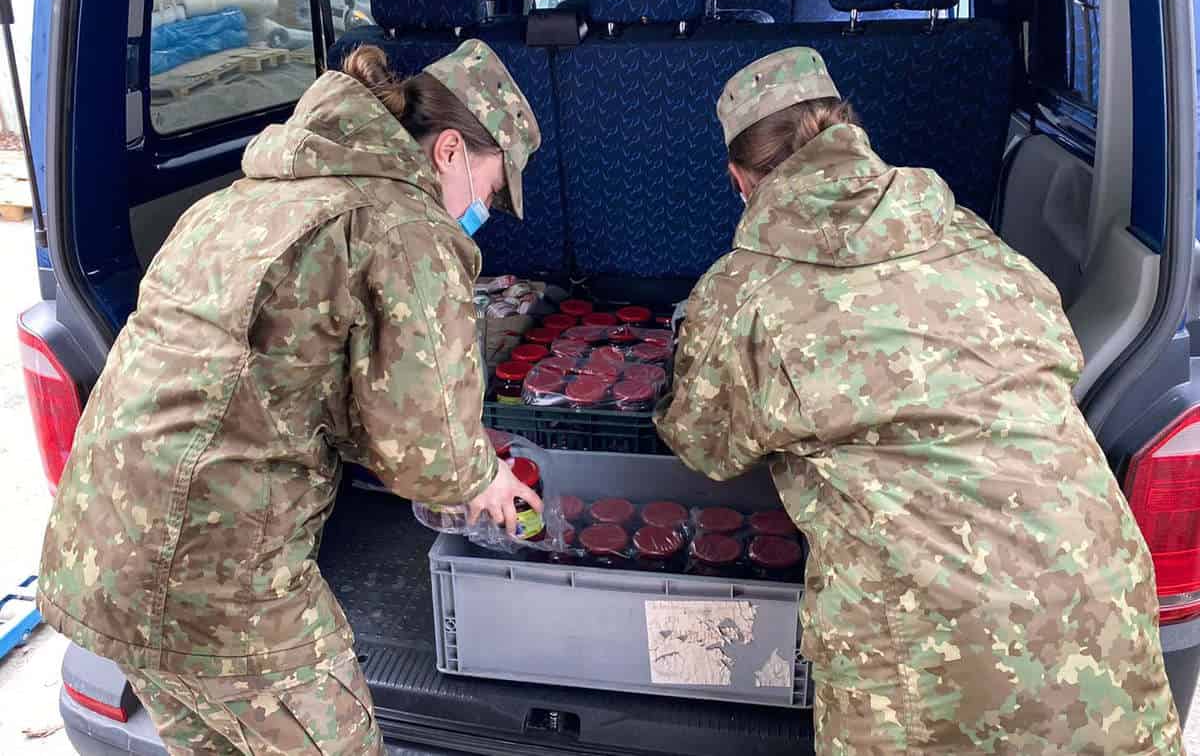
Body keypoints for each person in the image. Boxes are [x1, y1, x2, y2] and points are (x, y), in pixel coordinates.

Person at [655, 47, 1184, 753]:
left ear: (740, 180)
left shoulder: (746, 293)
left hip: (934, 659)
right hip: (1101, 603)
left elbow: (702, 443)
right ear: (849, 133)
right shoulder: (970, 236)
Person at [36, 40, 544, 755]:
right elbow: (430, 456)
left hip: (101, 559)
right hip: (219, 586)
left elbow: (289, 374)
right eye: (490, 189)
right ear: (450, 151)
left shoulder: (243, 198)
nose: (483, 211)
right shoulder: (404, 226)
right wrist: (484, 478)